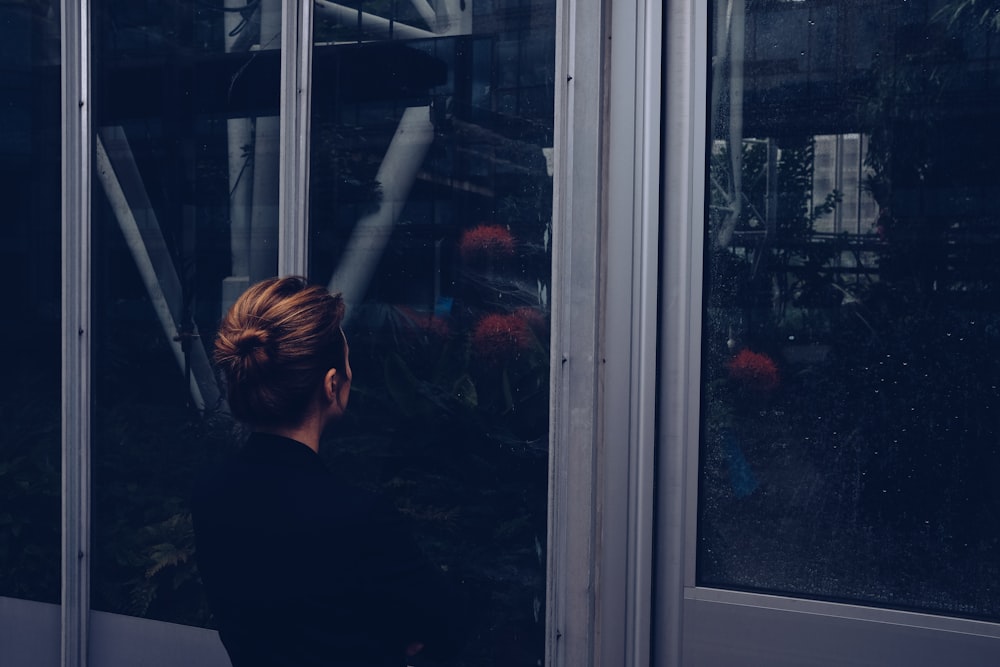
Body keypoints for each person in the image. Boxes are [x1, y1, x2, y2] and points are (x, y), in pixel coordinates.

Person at [193, 276, 462, 667]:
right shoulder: (359, 517)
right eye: (348, 365)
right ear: (332, 384)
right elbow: (442, 627)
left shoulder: (210, 494)